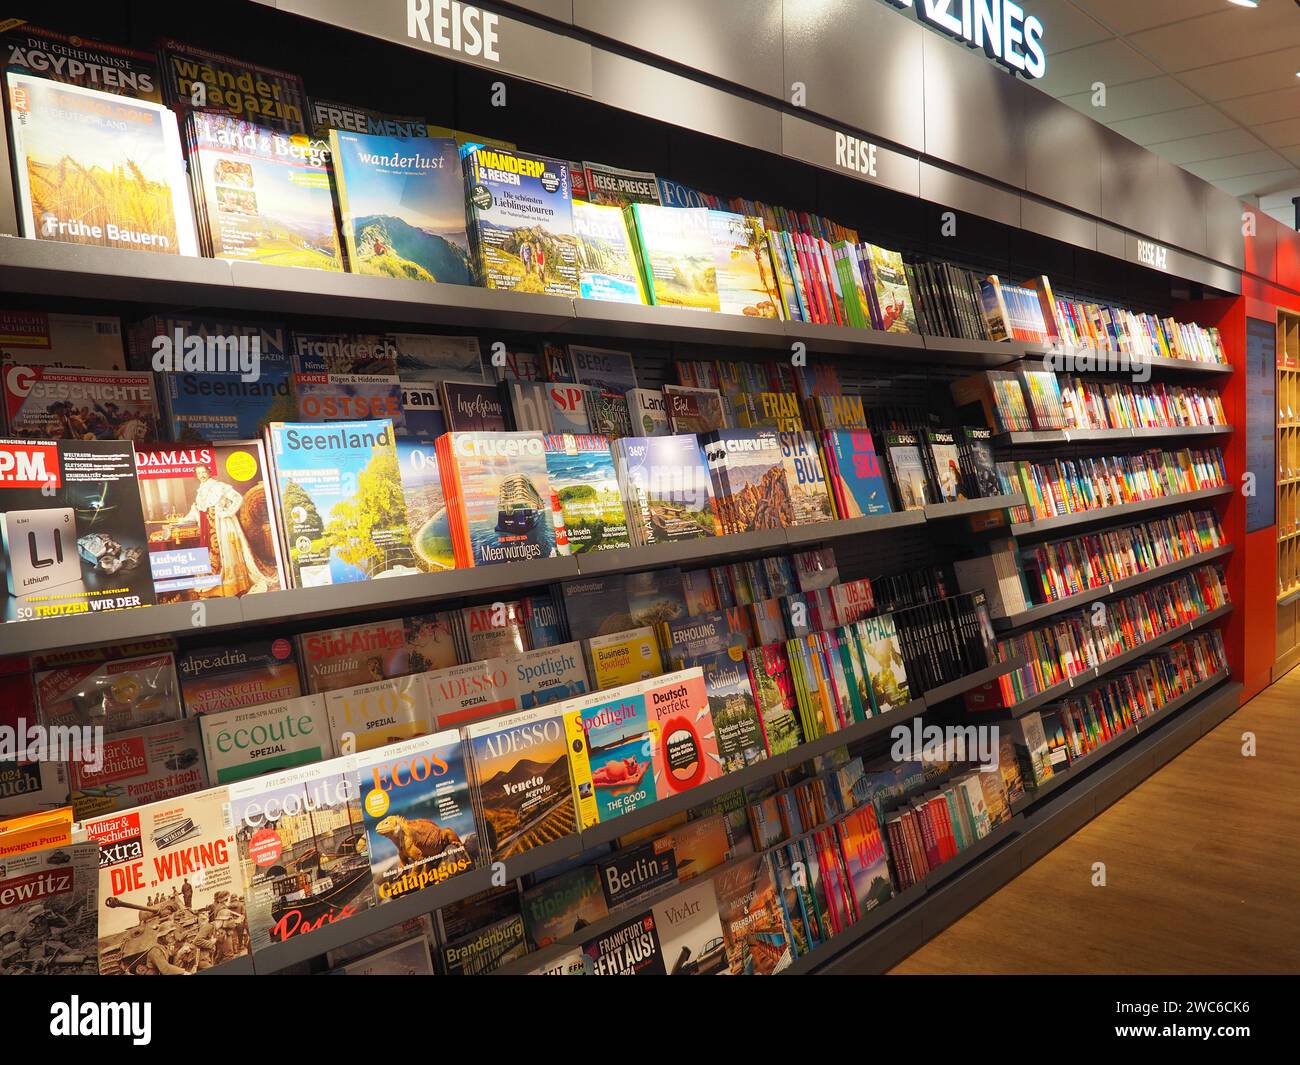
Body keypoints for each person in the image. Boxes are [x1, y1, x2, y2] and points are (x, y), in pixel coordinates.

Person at [169, 466, 269, 597]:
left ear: (209, 472)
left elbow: (238, 498)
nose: (201, 475)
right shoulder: (200, 491)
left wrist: (227, 513)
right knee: (210, 553)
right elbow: (197, 511)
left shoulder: (219, 486)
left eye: (204, 472)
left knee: (227, 552)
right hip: (207, 526)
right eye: (199, 473)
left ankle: (231, 586)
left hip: (222, 524)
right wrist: (182, 520)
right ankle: (215, 587)